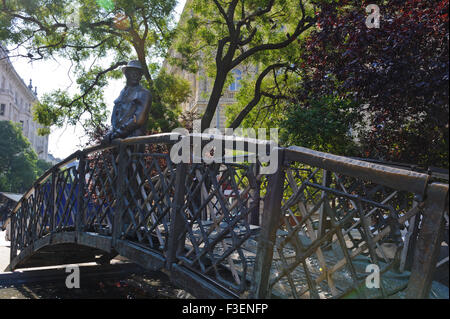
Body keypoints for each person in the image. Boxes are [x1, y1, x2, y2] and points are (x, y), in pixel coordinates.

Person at [103, 60, 152, 143]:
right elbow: (115, 117)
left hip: (133, 143)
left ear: (141, 76)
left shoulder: (144, 93)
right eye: (132, 72)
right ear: (126, 74)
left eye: (138, 73)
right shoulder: (122, 94)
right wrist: (110, 132)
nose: (135, 75)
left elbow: (138, 120)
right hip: (117, 143)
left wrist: (116, 134)